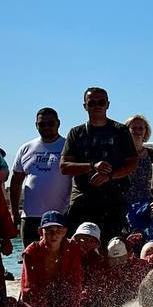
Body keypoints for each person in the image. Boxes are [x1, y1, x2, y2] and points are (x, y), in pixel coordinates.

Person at [59, 87, 138, 243]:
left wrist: (109, 176)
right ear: (85, 106)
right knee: (76, 246)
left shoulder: (120, 131)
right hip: (83, 200)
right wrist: (92, 166)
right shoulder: (76, 133)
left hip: (113, 200)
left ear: (107, 104)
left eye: (101, 102)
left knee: (113, 247)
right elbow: (64, 167)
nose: (97, 106)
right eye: (92, 103)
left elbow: (132, 163)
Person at [9, 108, 73, 248]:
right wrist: (14, 213)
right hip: (30, 218)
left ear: (58, 123)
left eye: (51, 123)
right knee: (29, 257)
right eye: (42, 124)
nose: (46, 127)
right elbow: (15, 182)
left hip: (59, 217)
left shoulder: (68, 147)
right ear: (36, 125)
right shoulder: (26, 148)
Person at [18, 210, 83, 307]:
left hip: (61, 295)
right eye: (49, 231)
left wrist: (70, 306)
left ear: (65, 232)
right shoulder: (31, 252)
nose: (54, 236)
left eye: (58, 231)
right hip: (39, 297)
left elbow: (75, 282)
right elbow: (28, 287)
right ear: (40, 231)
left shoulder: (72, 248)